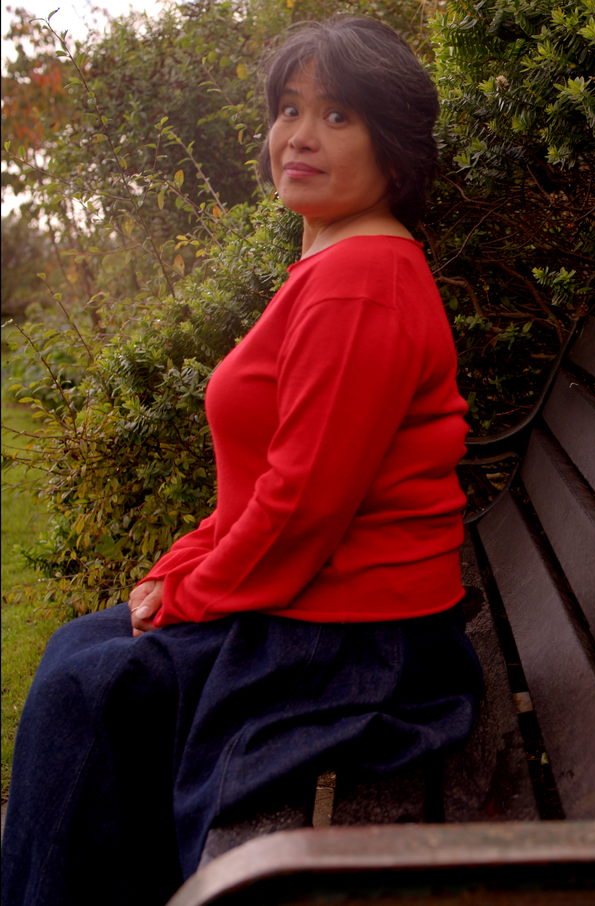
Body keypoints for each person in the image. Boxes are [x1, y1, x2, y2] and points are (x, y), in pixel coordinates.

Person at [1, 17, 482, 906]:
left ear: (394, 149)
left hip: (357, 646)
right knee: (81, 652)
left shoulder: (360, 284)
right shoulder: (336, 264)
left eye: (337, 115)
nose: (299, 136)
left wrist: (186, 598)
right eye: (289, 109)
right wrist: (179, 565)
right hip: (325, 609)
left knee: (86, 691)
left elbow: (301, 507)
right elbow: (269, 478)